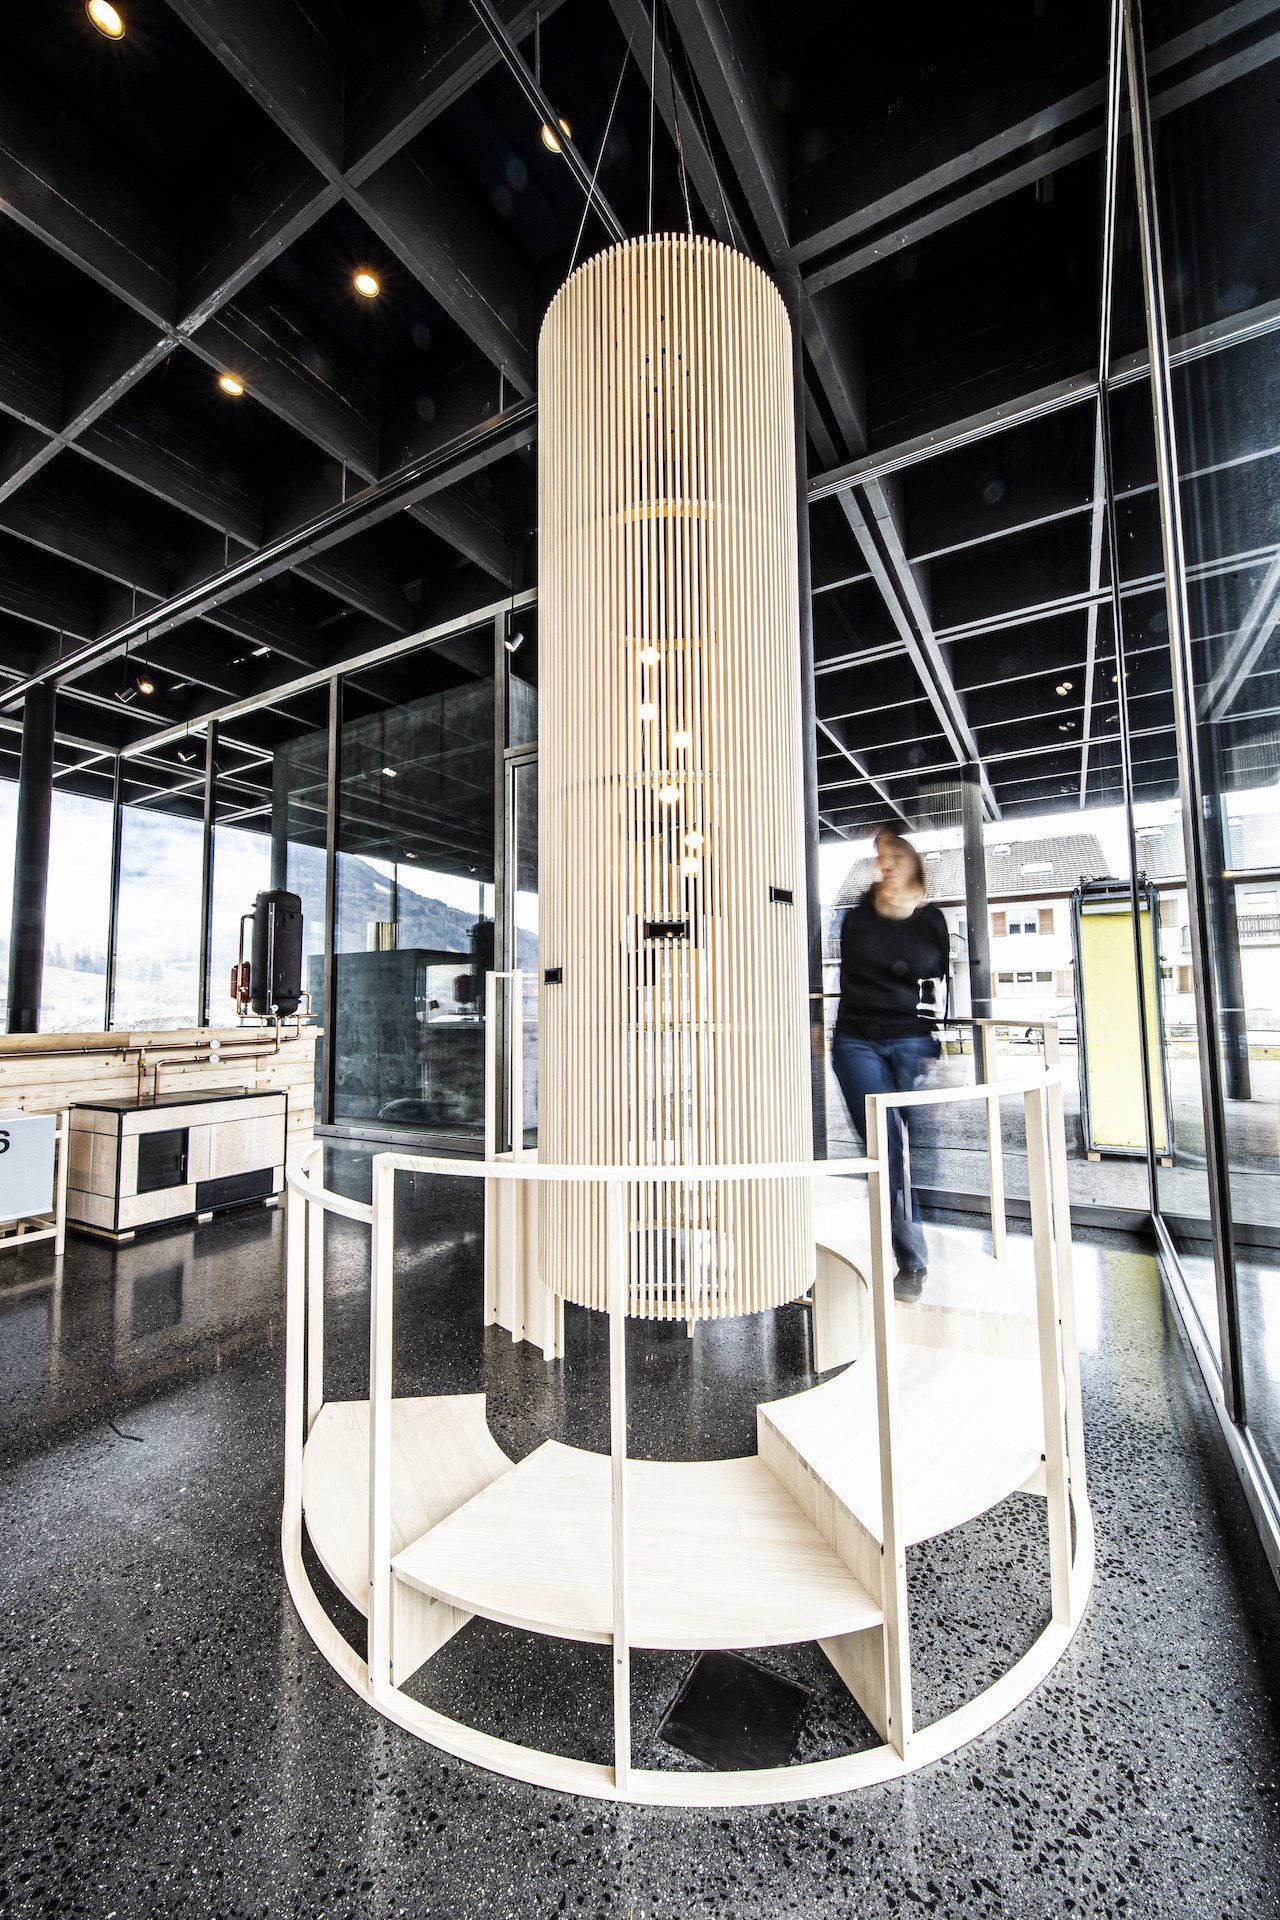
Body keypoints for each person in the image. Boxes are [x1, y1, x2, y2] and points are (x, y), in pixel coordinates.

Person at [832, 830, 950, 1288]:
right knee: (885, 1148)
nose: (885, 864)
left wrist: (936, 1049)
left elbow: (934, 980)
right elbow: (853, 976)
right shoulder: (857, 917)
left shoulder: (930, 920)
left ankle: (918, 1226)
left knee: (918, 1144)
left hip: (912, 1039)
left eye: (893, 855)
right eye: (879, 857)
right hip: (858, 1041)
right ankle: (911, 1257)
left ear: (912, 860)